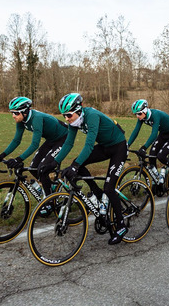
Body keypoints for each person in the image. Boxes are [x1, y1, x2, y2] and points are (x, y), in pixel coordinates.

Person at [39, 93, 129, 245]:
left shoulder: (92, 116)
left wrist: (74, 166)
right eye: (64, 116)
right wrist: (54, 163)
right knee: (78, 164)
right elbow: (68, 143)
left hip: (119, 147)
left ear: (78, 110)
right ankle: (97, 192)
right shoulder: (74, 121)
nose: (66, 119)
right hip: (105, 147)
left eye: (68, 115)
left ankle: (121, 225)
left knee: (109, 187)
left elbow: (88, 145)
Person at [0, 96, 68, 199]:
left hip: (64, 138)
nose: (13, 116)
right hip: (51, 139)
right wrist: (2, 155)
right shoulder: (21, 120)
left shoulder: (36, 118)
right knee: (33, 168)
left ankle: (50, 200)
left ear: (25, 112)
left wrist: (18, 159)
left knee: (43, 169)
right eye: (12, 112)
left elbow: (35, 144)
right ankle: (50, 188)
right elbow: (16, 140)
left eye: (16, 113)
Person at [128, 99, 169, 183]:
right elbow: (136, 131)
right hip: (163, 134)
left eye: (139, 113)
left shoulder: (155, 115)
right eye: (135, 114)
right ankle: (156, 180)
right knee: (152, 155)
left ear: (145, 110)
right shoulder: (142, 117)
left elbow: (154, 134)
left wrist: (144, 147)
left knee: (161, 156)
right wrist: (127, 145)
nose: (137, 116)